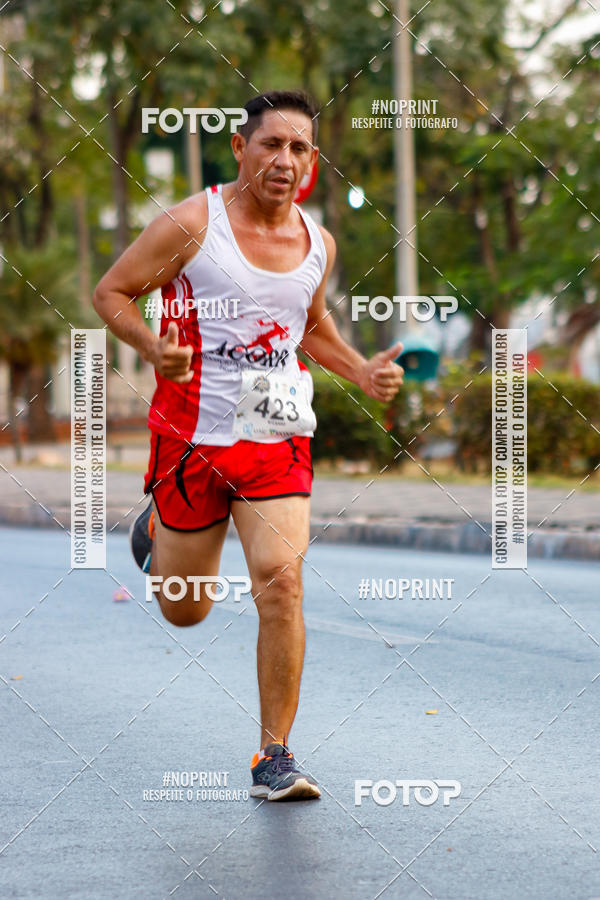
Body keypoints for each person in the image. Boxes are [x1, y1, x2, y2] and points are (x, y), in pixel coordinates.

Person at [93, 89, 404, 801]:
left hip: (275, 442)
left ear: (312, 161)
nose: (284, 160)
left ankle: (275, 756)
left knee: (283, 583)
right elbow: (112, 291)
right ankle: (158, 529)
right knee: (186, 607)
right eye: (271, 144)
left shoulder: (317, 243)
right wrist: (150, 347)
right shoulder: (191, 225)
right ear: (240, 148)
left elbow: (310, 322)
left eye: (299, 148)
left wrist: (358, 368)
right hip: (191, 442)